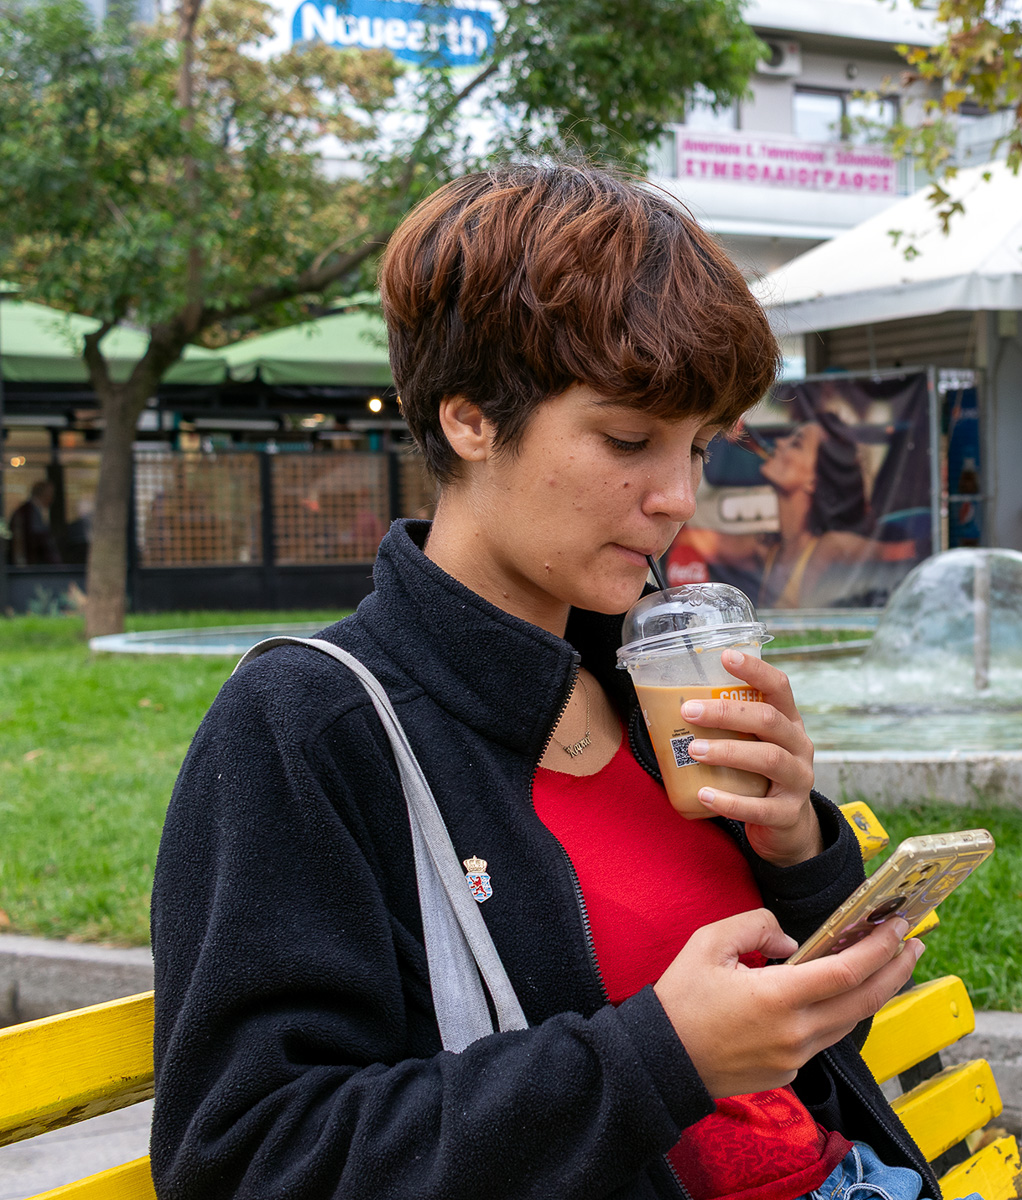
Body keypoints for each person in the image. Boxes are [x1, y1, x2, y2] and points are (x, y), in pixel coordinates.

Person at [150, 166, 938, 1200]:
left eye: (697, 446)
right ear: (470, 419)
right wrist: (658, 1058)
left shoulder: (637, 680)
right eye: (627, 439)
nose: (676, 499)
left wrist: (799, 850)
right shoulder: (308, 728)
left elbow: (794, 1060)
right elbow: (246, 1159)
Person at [758, 414, 913, 608]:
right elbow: (709, 541)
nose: (779, 442)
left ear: (813, 481)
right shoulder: (768, 549)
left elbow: (911, 553)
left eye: (796, 444)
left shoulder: (830, 547)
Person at [7, 478, 60, 565]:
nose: (52, 499)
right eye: (50, 495)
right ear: (44, 495)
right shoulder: (27, 512)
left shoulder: (30, 511)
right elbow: (37, 537)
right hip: (32, 562)